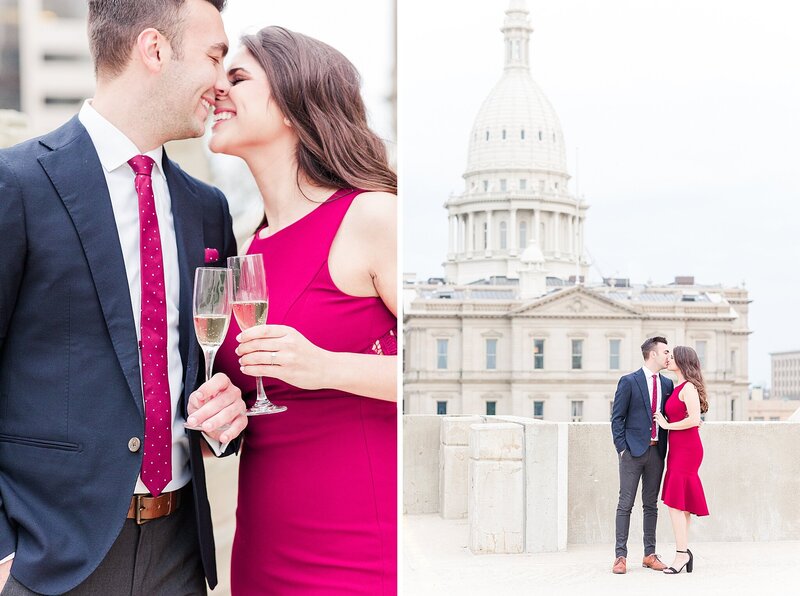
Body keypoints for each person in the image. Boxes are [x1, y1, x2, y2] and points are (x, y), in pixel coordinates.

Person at [0, 1, 249, 593]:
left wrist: (226, 417)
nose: (223, 81)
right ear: (155, 49)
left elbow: (210, 368)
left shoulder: (207, 209)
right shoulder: (17, 184)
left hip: (179, 556)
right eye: (215, 56)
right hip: (50, 560)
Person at [210, 26, 397, 594]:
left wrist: (326, 366)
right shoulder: (252, 246)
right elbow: (256, 398)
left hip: (360, 553)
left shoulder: (373, 217)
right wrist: (221, 409)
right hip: (263, 550)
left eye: (237, 77)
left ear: (294, 102)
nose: (216, 88)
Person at [610, 336, 674, 574]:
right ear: (653, 354)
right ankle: (620, 557)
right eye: (665, 352)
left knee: (651, 505)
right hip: (632, 453)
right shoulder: (629, 381)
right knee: (625, 504)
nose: (669, 356)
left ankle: (649, 554)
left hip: (657, 452)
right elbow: (617, 418)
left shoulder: (667, 385)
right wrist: (622, 449)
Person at [655, 345, 709, 574]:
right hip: (677, 450)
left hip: (687, 450)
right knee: (681, 505)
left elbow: (694, 419)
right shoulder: (678, 387)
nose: (668, 359)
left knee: (675, 505)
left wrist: (667, 424)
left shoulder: (688, 388)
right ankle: (684, 551)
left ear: (683, 361)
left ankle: (681, 555)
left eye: (672, 356)